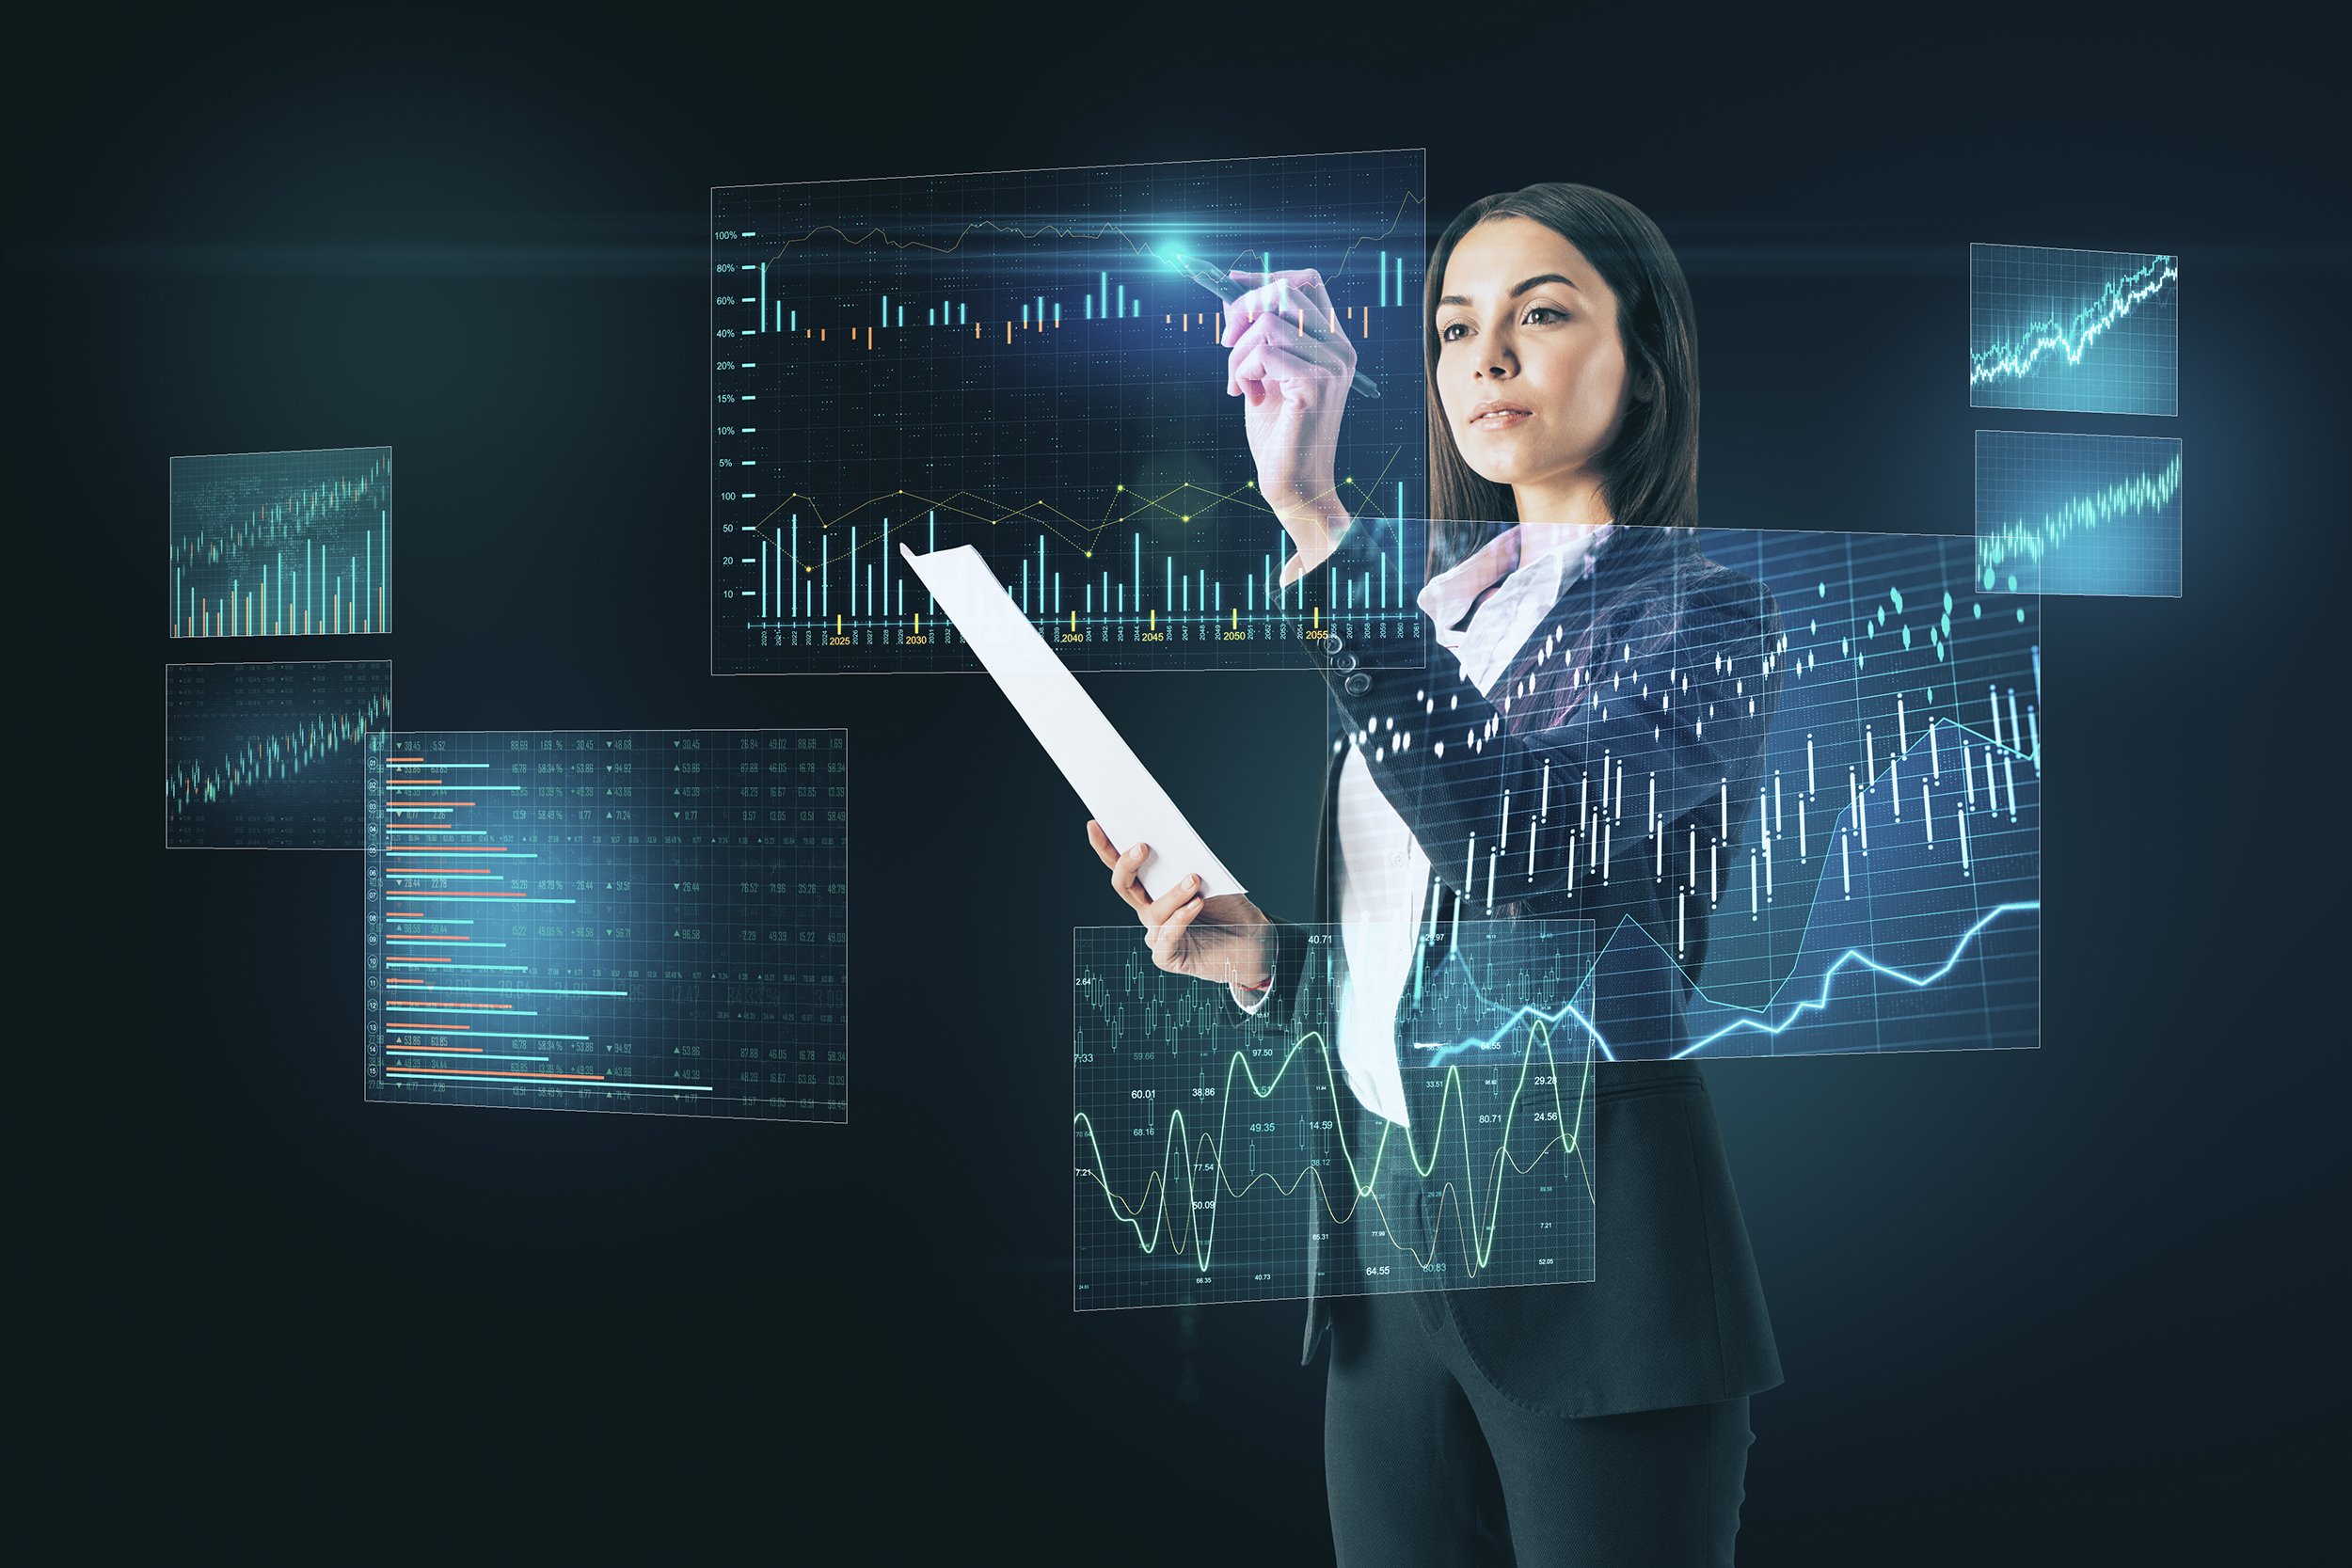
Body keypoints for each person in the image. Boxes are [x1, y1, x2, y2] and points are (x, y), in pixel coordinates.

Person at [1086, 183, 1784, 1564]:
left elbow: (1519, 847)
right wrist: (1269, 963)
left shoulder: (1706, 618)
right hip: (1382, 1272)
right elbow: (1433, 961)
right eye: (1457, 328)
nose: (1487, 358)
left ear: (1646, 363)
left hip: (1593, 1291)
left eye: (1542, 315)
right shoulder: (1433, 618)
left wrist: (1312, 512)